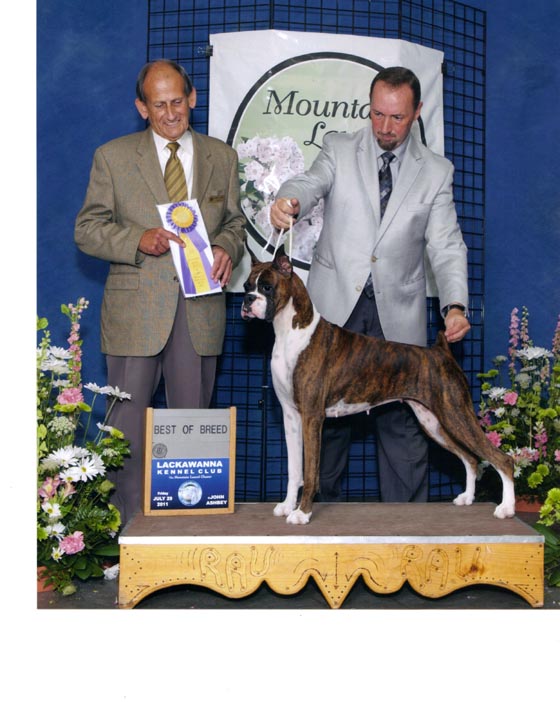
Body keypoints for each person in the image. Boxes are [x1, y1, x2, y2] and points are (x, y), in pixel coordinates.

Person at [270, 66, 470, 504]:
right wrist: (290, 199)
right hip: (333, 311)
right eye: (377, 113)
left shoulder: (436, 171)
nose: (384, 126)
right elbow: (309, 182)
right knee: (323, 430)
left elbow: (446, 244)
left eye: (396, 117)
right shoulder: (339, 148)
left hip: (397, 315)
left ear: (417, 112)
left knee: (405, 432)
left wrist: (455, 304)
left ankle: (407, 533)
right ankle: (317, 525)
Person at [75, 59, 246, 525]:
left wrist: (227, 247)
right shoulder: (112, 156)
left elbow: (235, 223)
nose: (170, 114)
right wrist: (137, 239)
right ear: (141, 108)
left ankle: (185, 535)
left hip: (200, 309)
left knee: (192, 430)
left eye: (177, 102)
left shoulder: (222, 157)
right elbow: (87, 230)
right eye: (159, 105)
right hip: (135, 313)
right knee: (125, 433)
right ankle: (123, 532)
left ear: (192, 98)